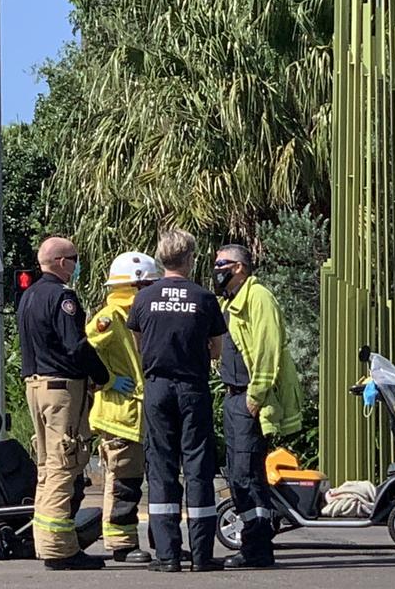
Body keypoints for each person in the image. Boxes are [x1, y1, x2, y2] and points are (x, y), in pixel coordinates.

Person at [127, 229, 227, 573]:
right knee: (198, 467)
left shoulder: (143, 298)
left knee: (161, 468)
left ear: (161, 259)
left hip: (157, 388)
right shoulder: (203, 299)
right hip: (192, 387)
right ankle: (201, 554)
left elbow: (140, 342)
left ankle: (167, 556)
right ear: (190, 258)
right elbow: (217, 348)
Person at [18, 236, 110, 571]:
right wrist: (103, 374)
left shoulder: (29, 296)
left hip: (36, 387)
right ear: (60, 262)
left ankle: (48, 542)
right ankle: (59, 549)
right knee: (64, 464)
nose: (77, 264)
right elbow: (76, 346)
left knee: (48, 466)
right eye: (74, 258)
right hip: (61, 391)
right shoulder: (62, 297)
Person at [213, 244, 304, 570]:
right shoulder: (233, 300)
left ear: (239, 267)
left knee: (247, 475)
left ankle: (258, 549)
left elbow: (268, 349)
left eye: (222, 263)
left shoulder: (258, 297)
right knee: (240, 474)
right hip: (235, 396)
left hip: (249, 398)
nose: (217, 268)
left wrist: (257, 395)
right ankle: (253, 544)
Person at [85, 251, 161, 565]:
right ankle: (121, 544)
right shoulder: (110, 317)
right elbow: (84, 352)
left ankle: (159, 542)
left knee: (143, 479)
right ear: (138, 286)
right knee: (123, 481)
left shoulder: (142, 312)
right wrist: (108, 380)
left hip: (141, 412)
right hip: (120, 414)